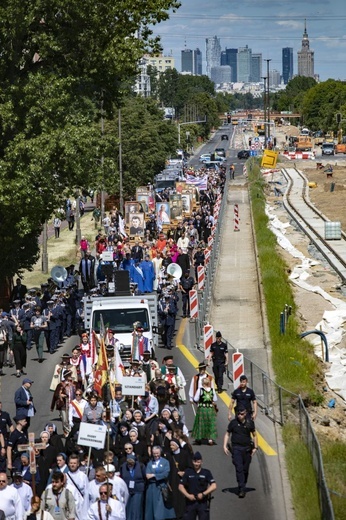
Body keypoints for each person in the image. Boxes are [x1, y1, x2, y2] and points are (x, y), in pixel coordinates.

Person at [223, 406, 258, 498]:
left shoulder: (250, 423)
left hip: (247, 449)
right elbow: (227, 434)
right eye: (238, 414)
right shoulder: (233, 423)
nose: (239, 416)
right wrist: (224, 445)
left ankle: (243, 483)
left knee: (245, 469)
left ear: (245, 414)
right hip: (236, 449)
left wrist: (255, 447)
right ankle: (241, 488)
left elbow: (254, 435)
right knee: (239, 468)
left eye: (241, 414)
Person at [179, 452, 216, 519]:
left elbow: (214, 486)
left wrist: (203, 494)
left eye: (198, 462)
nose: (196, 464)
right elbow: (180, 486)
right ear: (192, 461)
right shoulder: (188, 472)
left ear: (201, 462)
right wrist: (188, 495)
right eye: (195, 462)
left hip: (202, 502)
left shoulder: (206, 472)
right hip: (190, 502)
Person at [145, 446, 175, 520]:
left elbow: (165, 474)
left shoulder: (165, 462)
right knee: (150, 508)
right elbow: (147, 475)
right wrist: (156, 476)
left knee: (160, 509)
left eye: (157, 453)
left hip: (161, 487)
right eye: (154, 453)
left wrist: (154, 475)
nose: (156, 455)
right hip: (151, 488)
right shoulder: (150, 463)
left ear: (160, 453)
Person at [191, 377, 217, 446]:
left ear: (203, 383)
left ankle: (199, 438)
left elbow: (195, 399)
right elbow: (215, 399)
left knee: (200, 423)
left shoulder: (200, 390)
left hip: (202, 408)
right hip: (210, 409)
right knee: (210, 423)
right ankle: (210, 439)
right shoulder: (212, 390)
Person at [120, 453, 146, 520]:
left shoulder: (141, 466)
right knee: (128, 507)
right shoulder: (123, 466)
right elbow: (122, 476)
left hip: (138, 489)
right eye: (128, 461)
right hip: (127, 489)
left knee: (136, 508)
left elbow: (144, 476)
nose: (130, 463)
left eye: (132, 462)